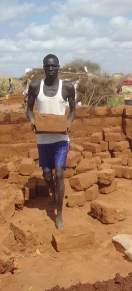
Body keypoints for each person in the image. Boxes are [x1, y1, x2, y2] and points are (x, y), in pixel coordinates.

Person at [26, 54, 76, 229]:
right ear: (43, 68)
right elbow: (29, 109)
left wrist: (69, 122)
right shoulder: (34, 87)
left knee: (59, 174)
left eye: (54, 66)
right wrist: (32, 121)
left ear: (59, 67)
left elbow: (73, 111)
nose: (51, 69)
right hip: (43, 139)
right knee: (47, 176)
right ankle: (56, 194)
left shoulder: (67, 87)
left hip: (61, 139)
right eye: (47, 66)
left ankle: (59, 215)